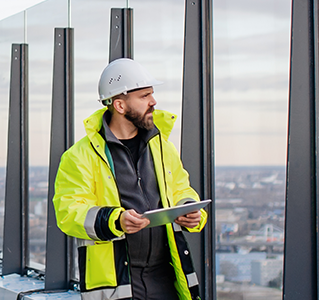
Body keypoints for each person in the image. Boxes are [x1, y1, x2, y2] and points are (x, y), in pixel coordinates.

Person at [53, 58, 207, 300]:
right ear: (120, 105)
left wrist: (189, 209)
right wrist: (116, 220)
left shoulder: (161, 146)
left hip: (167, 279)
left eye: (152, 94)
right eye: (145, 96)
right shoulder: (79, 156)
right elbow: (69, 212)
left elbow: (180, 189)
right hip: (118, 283)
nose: (153, 102)